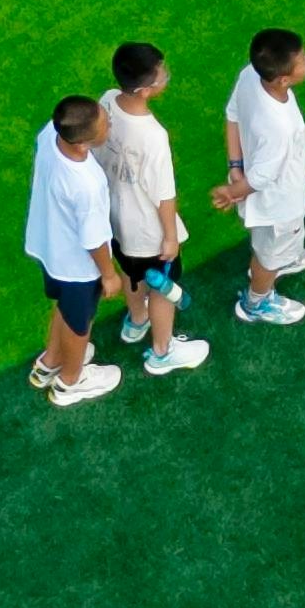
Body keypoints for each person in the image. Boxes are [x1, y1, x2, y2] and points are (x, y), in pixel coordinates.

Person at [96, 41, 204, 374]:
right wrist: (170, 237)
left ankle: (136, 320)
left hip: (113, 221)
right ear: (145, 90)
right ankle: (162, 350)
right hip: (147, 231)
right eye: (162, 74)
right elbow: (164, 194)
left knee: (131, 273)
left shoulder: (107, 100)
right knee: (162, 287)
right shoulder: (154, 136)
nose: (166, 76)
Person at [23, 92, 123, 408]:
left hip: (47, 246)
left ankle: (49, 362)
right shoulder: (88, 183)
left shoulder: (50, 133)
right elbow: (93, 240)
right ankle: (71, 381)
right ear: (83, 144)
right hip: (77, 266)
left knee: (65, 308)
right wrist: (109, 275)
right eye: (104, 123)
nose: (108, 123)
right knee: (81, 322)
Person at [225, 31, 305, 327]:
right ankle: (256, 300)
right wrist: (233, 190)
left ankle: (283, 258)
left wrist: (235, 167)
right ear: (284, 80)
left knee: (271, 244)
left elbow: (232, 115)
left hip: (259, 189)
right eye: (302, 59)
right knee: (268, 254)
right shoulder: (280, 125)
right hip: (280, 203)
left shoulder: (249, 75)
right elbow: (263, 177)